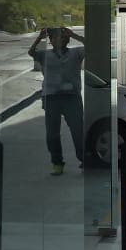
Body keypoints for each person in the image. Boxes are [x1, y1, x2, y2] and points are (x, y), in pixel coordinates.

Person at [28, 25, 85, 175]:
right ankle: (57, 163)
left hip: (72, 97)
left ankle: (84, 159)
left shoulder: (76, 53)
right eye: (56, 38)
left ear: (68, 40)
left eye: (63, 37)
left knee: (78, 131)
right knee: (52, 133)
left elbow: (92, 47)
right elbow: (31, 52)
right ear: (51, 41)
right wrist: (39, 38)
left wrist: (74, 35)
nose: (60, 40)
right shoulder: (44, 55)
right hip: (51, 97)